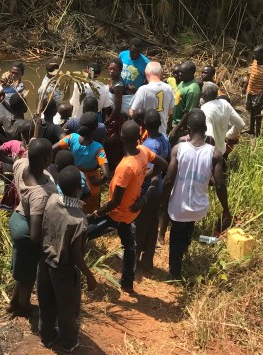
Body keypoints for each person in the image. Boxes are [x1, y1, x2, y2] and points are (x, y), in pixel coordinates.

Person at [88, 120, 167, 293]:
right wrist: (143, 183)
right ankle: (127, 283)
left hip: (117, 213)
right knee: (129, 246)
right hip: (132, 211)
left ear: (122, 137)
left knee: (85, 233)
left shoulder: (125, 167)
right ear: (139, 137)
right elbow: (163, 165)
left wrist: (96, 213)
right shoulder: (144, 152)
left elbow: (115, 202)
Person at [164, 109, 231, 279]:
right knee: (188, 227)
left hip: (178, 207)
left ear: (189, 129)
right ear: (205, 129)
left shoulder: (178, 149)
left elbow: (168, 180)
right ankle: (184, 253)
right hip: (199, 208)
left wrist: (163, 202)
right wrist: (226, 209)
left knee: (176, 236)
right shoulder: (215, 153)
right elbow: (220, 184)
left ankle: (174, 273)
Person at [38, 166, 97, 352]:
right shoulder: (79, 221)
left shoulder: (52, 199)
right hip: (63, 271)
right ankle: (68, 343)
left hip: (45, 263)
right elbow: (76, 255)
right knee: (67, 310)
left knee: (46, 304)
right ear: (79, 189)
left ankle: (46, 337)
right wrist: (89, 275)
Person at [8, 139, 58, 316]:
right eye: (51, 155)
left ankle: (14, 301)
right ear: (45, 160)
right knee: (29, 274)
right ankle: (24, 306)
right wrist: (47, 249)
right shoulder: (40, 193)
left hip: (17, 218)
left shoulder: (21, 164)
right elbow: (35, 235)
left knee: (22, 266)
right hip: (27, 230)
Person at [135, 109, 171, 276]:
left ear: (145, 126)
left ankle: (134, 260)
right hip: (159, 187)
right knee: (152, 224)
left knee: (141, 225)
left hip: (149, 189)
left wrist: (140, 177)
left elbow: (153, 173)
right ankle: (148, 259)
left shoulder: (148, 145)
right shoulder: (164, 138)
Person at [54, 112, 109, 215]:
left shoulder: (71, 138)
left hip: (74, 180)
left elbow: (52, 148)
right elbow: (106, 175)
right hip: (91, 187)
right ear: (96, 128)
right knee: (90, 213)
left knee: (74, 211)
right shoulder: (98, 148)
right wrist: (97, 182)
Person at [129, 61, 175, 134]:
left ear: (146, 73)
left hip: (146, 134)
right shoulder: (169, 88)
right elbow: (170, 112)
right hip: (162, 132)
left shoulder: (143, 90)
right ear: (161, 73)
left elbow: (133, 112)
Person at [200, 82, 246, 152]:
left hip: (211, 154)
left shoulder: (204, 109)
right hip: (222, 149)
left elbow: (209, 138)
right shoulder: (225, 104)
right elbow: (241, 124)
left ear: (203, 95)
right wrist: (229, 135)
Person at [105, 57, 128, 172]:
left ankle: (114, 164)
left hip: (117, 116)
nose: (111, 71)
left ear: (120, 71)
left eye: (115, 69)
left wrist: (109, 120)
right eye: (110, 69)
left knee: (114, 140)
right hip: (113, 113)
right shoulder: (113, 80)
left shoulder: (118, 85)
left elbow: (118, 106)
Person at [170, 61, 202, 140]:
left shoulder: (192, 90)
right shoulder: (183, 81)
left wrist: (175, 129)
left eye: (182, 72)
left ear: (191, 73)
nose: (179, 74)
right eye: (179, 71)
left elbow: (188, 113)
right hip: (173, 123)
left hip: (181, 128)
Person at [244, 45, 263, 137]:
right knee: (251, 110)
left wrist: (261, 96)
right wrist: (245, 86)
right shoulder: (255, 62)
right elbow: (251, 75)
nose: (254, 55)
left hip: (258, 93)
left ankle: (258, 133)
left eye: (256, 54)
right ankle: (251, 129)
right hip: (250, 90)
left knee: (257, 112)